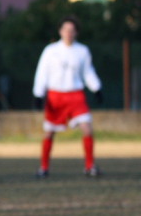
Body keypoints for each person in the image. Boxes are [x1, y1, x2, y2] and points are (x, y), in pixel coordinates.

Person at [32, 16, 103, 178]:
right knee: (49, 132)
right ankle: (43, 168)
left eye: (72, 30)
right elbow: (42, 73)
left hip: (76, 95)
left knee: (87, 128)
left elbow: (88, 72)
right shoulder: (51, 51)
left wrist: (97, 88)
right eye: (65, 30)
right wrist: (38, 94)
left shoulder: (82, 51)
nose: (68, 33)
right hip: (55, 96)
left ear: (76, 32)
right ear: (60, 31)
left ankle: (90, 166)